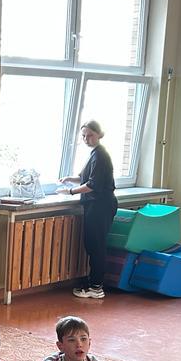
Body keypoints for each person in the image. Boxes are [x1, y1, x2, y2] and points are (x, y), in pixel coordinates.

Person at [60, 120, 117, 300]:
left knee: (96, 246)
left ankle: (96, 287)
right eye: (83, 136)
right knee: (92, 244)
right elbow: (85, 178)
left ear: (99, 134)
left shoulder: (100, 155)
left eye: (90, 135)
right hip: (95, 205)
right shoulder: (94, 154)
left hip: (100, 206)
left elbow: (92, 184)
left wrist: (71, 191)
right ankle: (94, 283)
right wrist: (70, 179)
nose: (86, 139)